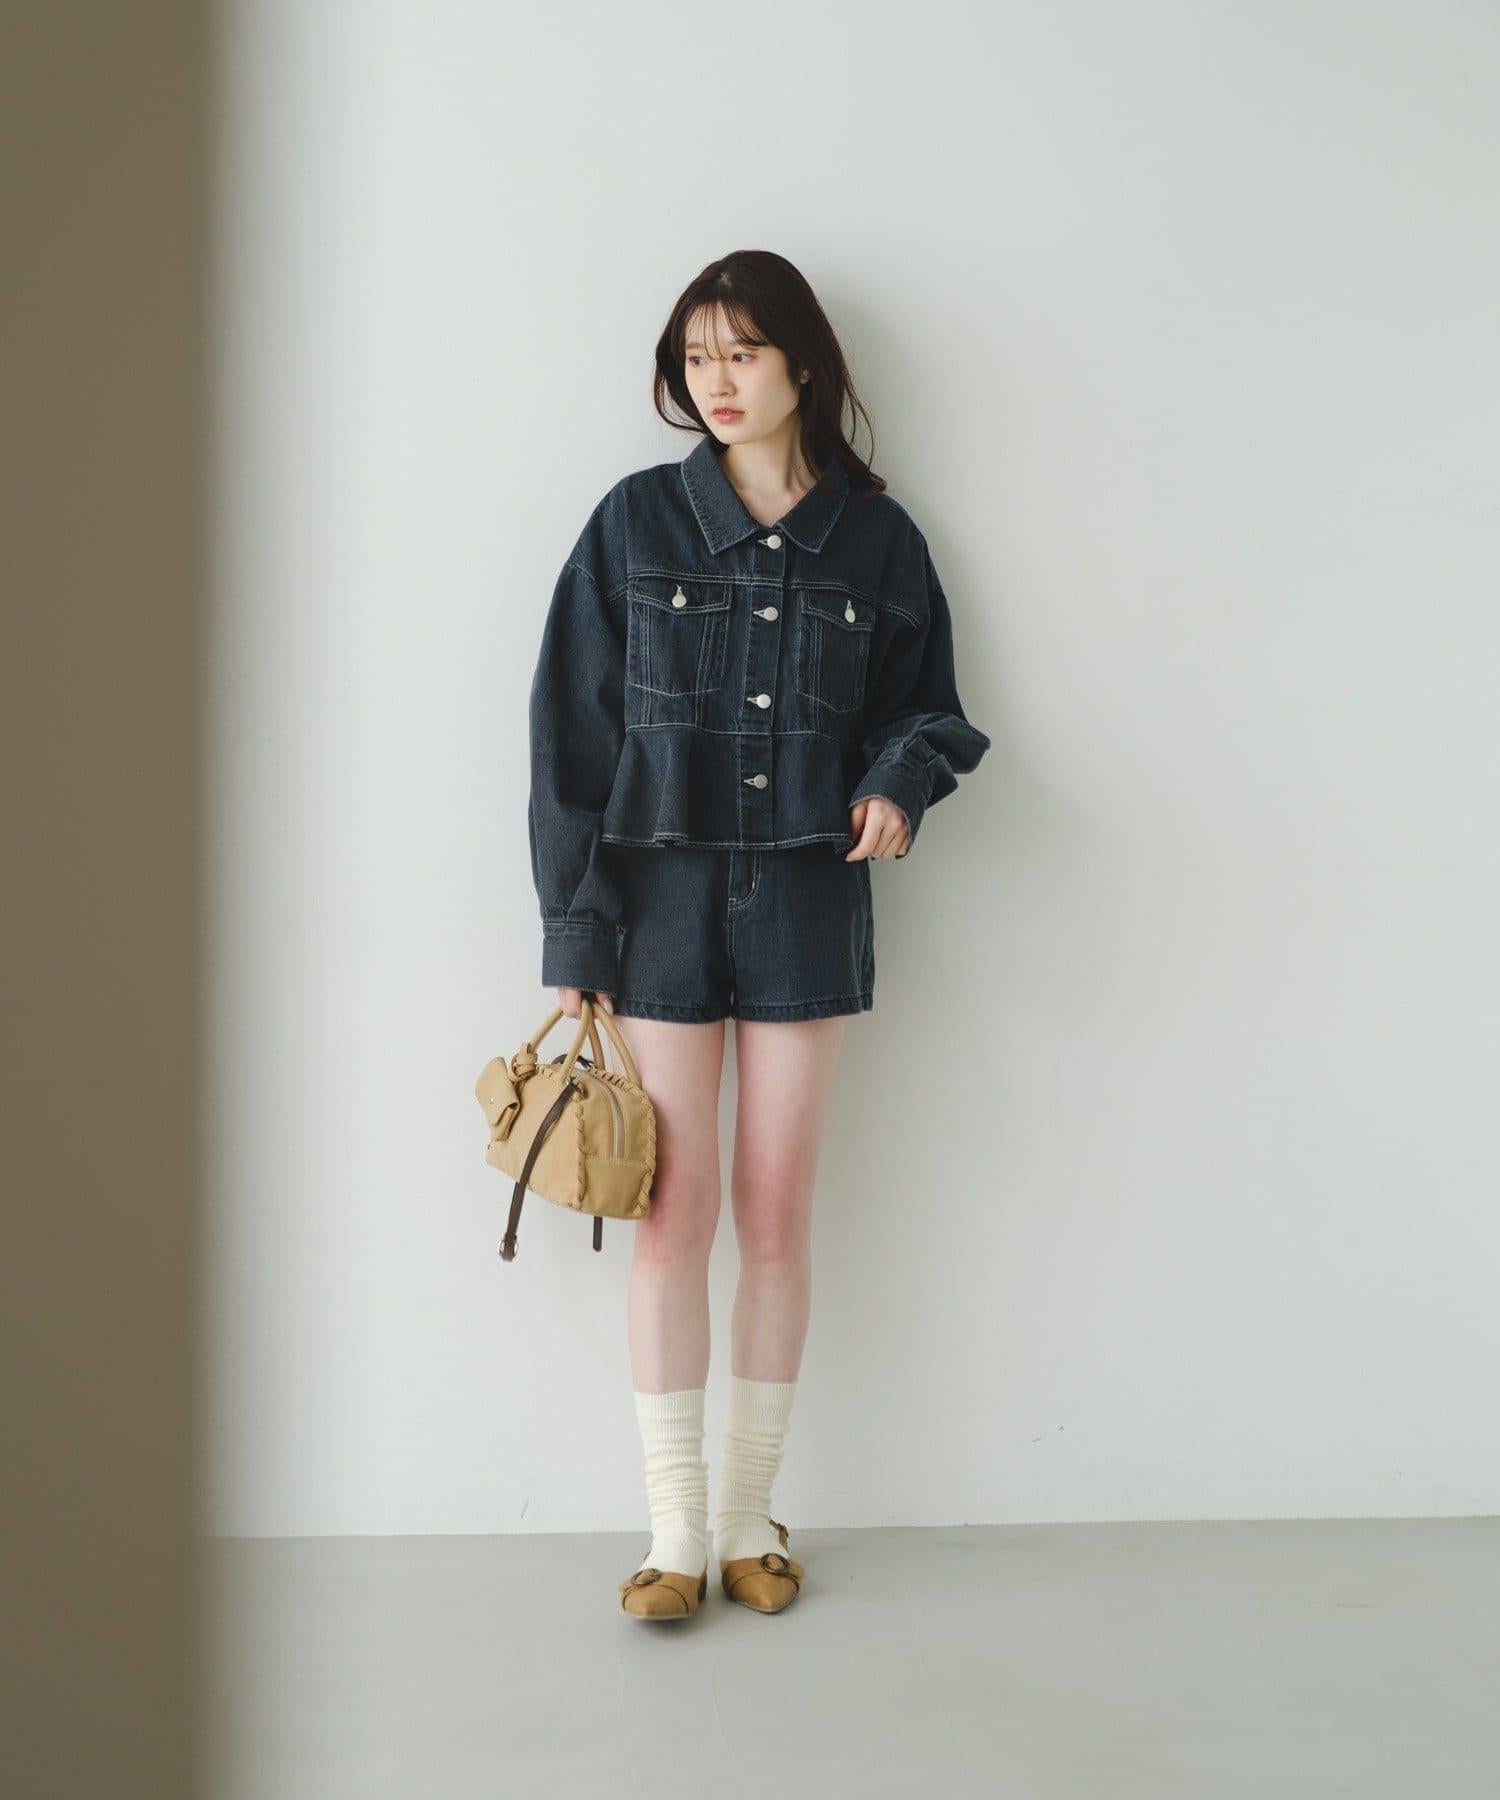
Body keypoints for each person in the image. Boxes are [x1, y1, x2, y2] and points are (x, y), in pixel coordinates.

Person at [526, 250, 991, 1619]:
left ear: (803, 364)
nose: (716, 381)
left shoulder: (879, 543)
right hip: (658, 903)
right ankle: (674, 1530)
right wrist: (576, 933)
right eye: (697, 356)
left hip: (804, 897)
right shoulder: (634, 524)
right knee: (674, 1211)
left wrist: (898, 782)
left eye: (741, 352)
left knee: (776, 1209)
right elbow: (569, 741)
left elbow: (929, 708)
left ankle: (748, 1517)